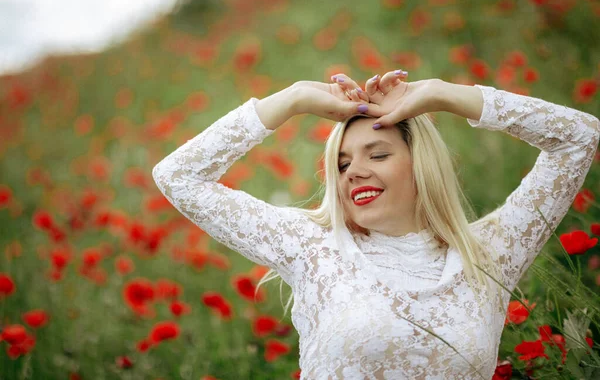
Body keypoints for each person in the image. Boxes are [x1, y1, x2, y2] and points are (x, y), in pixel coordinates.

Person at [152, 69, 600, 379]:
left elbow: (578, 138)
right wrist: (290, 100)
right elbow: (178, 177)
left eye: (378, 155)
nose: (354, 172)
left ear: (420, 164)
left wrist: (443, 93)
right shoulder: (312, 245)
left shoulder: (489, 253)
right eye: (342, 163)